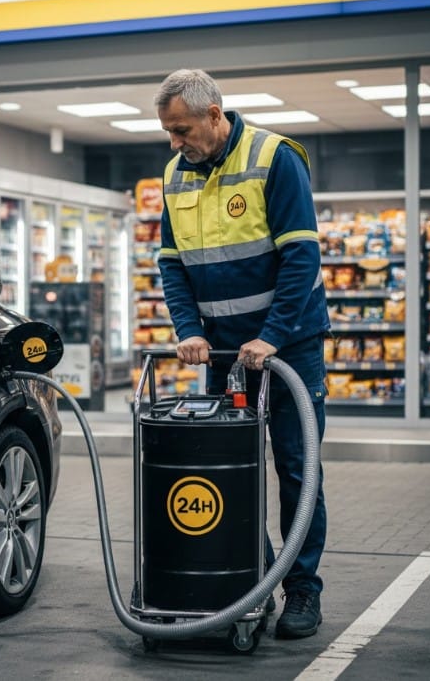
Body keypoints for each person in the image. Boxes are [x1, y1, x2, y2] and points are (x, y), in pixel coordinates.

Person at [154, 68, 330, 639]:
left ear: (214, 114)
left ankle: (301, 589)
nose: (175, 144)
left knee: (297, 470)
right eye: (168, 133)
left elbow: (303, 258)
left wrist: (272, 335)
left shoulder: (275, 158)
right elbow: (172, 264)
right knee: (228, 468)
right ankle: (252, 579)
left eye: (182, 130)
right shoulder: (174, 175)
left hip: (288, 348)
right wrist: (189, 328)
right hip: (225, 355)